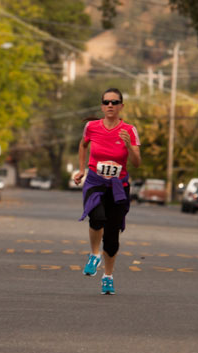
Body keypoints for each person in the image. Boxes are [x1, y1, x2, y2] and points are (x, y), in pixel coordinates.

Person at [74, 88, 141, 295]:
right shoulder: (91, 127)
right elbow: (83, 145)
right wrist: (82, 169)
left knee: (112, 237)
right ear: (102, 106)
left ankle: (108, 277)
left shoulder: (129, 130)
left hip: (118, 186)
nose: (110, 105)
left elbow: (137, 163)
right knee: (96, 216)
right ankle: (94, 255)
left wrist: (129, 146)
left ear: (121, 106)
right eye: (106, 102)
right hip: (95, 180)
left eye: (115, 102)